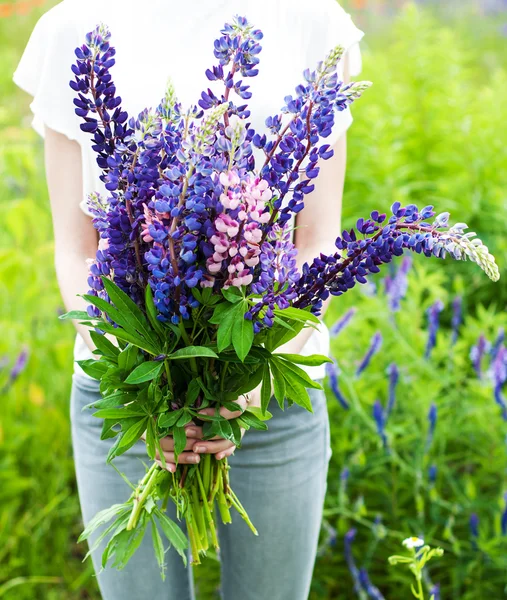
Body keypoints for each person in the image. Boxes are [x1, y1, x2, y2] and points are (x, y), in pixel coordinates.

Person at [13, 1, 363, 598]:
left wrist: (246, 384)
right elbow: (78, 251)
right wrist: (145, 386)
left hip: (270, 394)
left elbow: (316, 244)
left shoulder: (312, 20)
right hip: (125, 387)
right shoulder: (72, 27)